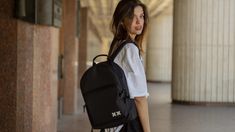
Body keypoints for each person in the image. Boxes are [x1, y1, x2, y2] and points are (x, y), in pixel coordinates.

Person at [106, 0, 151, 131]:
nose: (139, 22)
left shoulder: (117, 44)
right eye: (132, 17)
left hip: (116, 122)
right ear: (122, 21)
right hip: (127, 123)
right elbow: (140, 98)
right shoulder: (129, 49)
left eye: (141, 16)